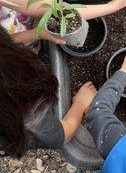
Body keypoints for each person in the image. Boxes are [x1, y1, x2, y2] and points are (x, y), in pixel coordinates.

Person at [0, 26, 97, 157]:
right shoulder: (29, 121)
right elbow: (61, 136)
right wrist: (80, 103)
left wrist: (37, 32)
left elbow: (6, 45)